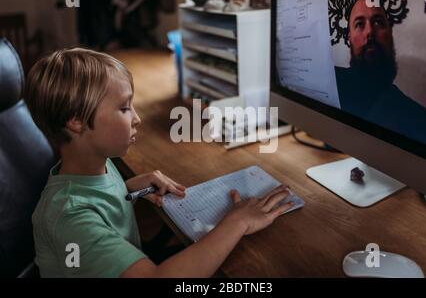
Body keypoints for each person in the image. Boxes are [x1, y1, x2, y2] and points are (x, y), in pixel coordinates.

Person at [24, 48, 293, 277]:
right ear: (77, 121)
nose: (137, 118)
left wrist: (127, 189)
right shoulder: (70, 218)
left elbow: (93, 198)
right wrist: (238, 222)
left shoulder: (92, 165)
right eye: (124, 108)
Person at [336, 0, 426, 152]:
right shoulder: (329, 86)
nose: (370, 32)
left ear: (390, 34)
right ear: (349, 38)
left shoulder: (424, 123)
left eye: (378, 22)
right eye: (359, 24)